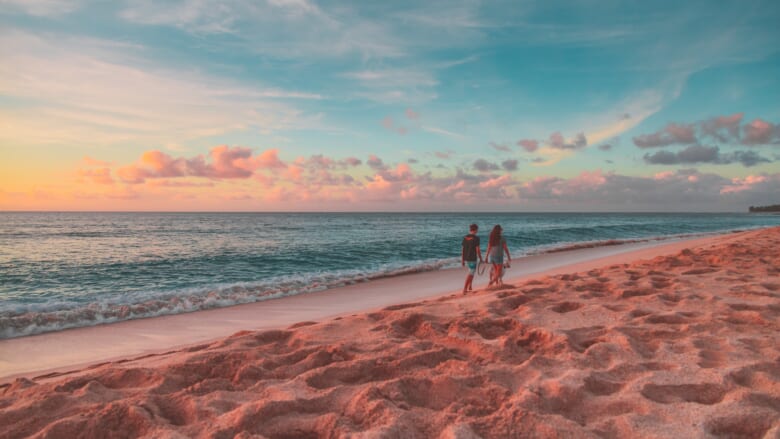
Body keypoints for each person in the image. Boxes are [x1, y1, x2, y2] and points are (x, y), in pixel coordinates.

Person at [461, 223, 483, 293]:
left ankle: (470, 286)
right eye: (477, 230)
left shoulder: (465, 237)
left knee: (471, 272)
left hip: (467, 258)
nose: (477, 231)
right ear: (475, 230)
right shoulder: (476, 238)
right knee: (471, 273)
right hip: (473, 258)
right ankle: (465, 288)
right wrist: (481, 258)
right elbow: (478, 250)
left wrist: (462, 259)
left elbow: (463, 249)